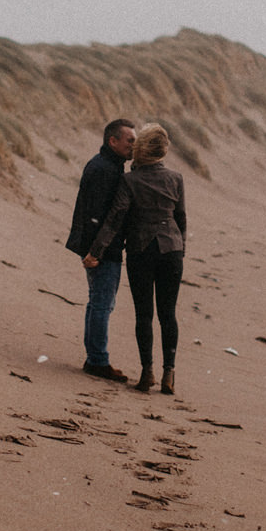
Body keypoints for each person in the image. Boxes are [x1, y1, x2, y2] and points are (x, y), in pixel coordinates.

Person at [84, 123, 186, 394]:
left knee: (144, 314)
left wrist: (96, 251)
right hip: (172, 250)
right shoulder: (176, 178)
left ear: (142, 149)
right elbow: (181, 219)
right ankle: (169, 375)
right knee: (168, 314)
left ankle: (147, 372)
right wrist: (181, 249)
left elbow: (115, 218)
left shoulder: (130, 180)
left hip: (142, 251)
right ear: (163, 151)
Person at [67, 118, 137, 379]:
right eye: (130, 140)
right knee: (102, 303)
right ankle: (97, 359)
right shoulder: (105, 169)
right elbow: (98, 215)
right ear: (113, 141)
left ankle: (94, 357)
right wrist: (96, 251)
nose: (134, 145)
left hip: (99, 246)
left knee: (99, 302)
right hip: (102, 249)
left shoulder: (109, 165)